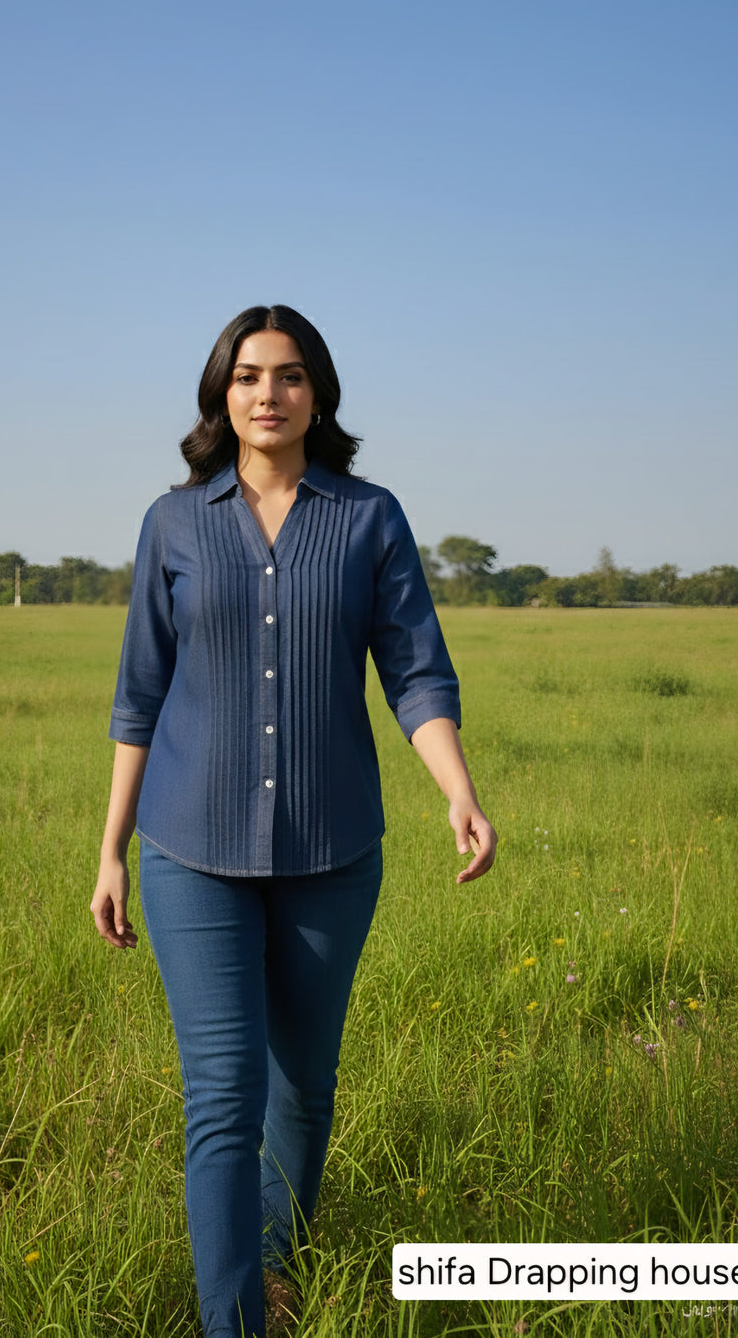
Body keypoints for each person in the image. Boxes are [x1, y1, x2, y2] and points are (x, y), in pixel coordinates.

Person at [90, 305, 496, 1338]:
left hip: (332, 850)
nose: (266, 392)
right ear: (219, 396)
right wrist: (110, 850)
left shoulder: (368, 516)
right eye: (246, 375)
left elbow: (413, 670)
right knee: (222, 1096)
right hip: (191, 849)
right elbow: (140, 694)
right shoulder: (174, 523)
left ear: (319, 394)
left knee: (303, 1087)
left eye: (289, 374)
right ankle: (236, 1323)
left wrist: (456, 787)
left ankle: (278, 1264)